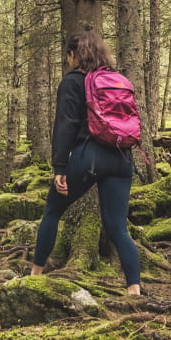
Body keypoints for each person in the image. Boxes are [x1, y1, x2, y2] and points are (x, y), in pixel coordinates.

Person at [31, 30, 143, 295]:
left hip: (88, 156)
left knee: (52, 211)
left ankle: (35, 275)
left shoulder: (73, 81)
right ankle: (134, 289)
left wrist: (59, 168)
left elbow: (66, 126)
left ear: (73, 55)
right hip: (122, 157)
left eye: (68, 56)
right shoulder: (117, 80)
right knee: (117, 227)